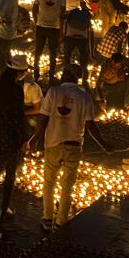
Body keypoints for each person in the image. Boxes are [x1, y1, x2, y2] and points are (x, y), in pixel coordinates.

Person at [29, 67, 109, 231]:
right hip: (74, 145)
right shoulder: (84, 96)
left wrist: (35, 139)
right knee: (67, 185)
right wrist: (103, 144)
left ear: (66, 76)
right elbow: (90, 124)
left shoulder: (53, 92)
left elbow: (42, 118)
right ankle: (61, 220)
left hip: (53, 144)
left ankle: (47, 218)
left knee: (49, 183)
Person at [0, 55, 31, 223]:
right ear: (19, 72)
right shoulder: (16, 90)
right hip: (11, 133)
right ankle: (4, 208)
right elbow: (18, 116)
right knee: (11, 173)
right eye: (25, 72)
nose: (25, 74)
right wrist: (24, 137)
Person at [32, 0, 64, 83]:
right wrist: (61, 29)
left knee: (38, 51)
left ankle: (36, 73)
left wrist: (36, 22)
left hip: (41, 26)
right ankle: (51, 75)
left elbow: (34, 9)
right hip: (54, 27)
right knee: (53, 52)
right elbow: (62, 13)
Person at [63, 0, 93, 85]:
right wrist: (91, 52)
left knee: (67, 58)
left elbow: (65, 21)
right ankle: (84, 81)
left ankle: (66, 77)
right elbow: (89, 29)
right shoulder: (87, 14)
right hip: (82, 39)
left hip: (70, 38)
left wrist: (63, 37)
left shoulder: (71, 12)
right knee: (84, 62)